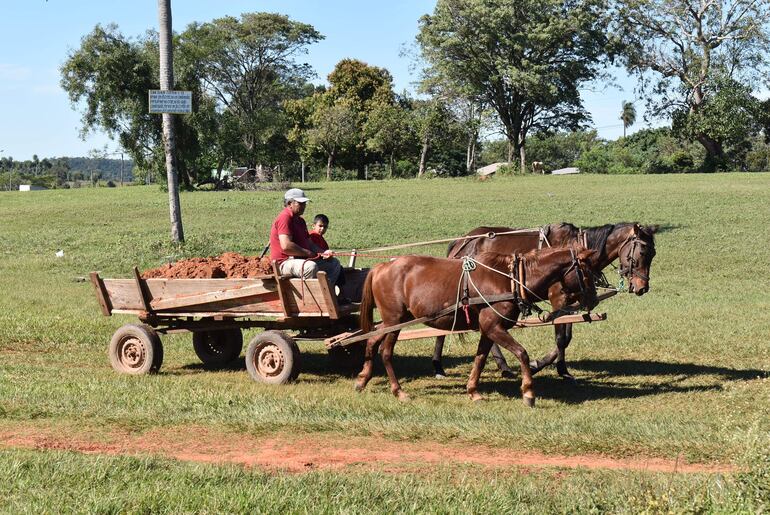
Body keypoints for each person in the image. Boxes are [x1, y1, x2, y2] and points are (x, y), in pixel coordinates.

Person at [269, 188, 343, 288]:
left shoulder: (300, 221)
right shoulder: (284, 218)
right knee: (310, 267)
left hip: (299, 259)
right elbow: (286, 246)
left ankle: (326, 294)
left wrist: (323, 252)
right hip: (284, 262)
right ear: (290, 203)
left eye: (304, 203)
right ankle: (312, 300)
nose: (304, 206)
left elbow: (310, 244)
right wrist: (308, 253)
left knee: (334, 264)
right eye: (301, 203)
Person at [310, 213, 345, 287]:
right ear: (313, 225)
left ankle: (340, 294)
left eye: (325, 227)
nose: (322, 229)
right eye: (320, 226)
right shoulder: (313, 236)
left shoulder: (320, 238)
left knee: (340, 269)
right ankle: (328, 287)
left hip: (320, 263)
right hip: (314, 263)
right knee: (336, 264)